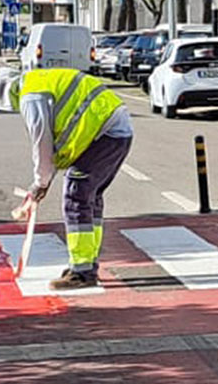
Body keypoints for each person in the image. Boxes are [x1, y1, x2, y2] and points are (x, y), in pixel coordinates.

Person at [12, 64, 133, 291]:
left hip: (106, 133)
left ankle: (82, 272)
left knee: (77, 196)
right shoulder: (40, 80)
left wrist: (40, 184)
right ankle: (87, 263)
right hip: (117, 130)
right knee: (90, 196)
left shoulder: (30, 96)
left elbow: (42, 144)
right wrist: (45, 180)